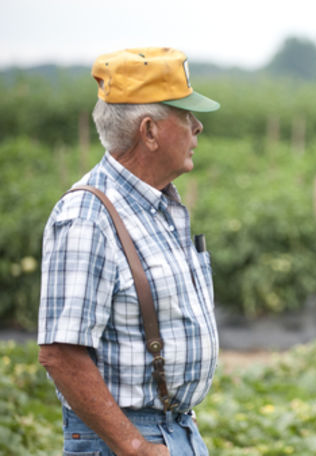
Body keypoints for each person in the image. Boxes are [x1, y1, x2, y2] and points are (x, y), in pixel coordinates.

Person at [38, 47, 220, 455]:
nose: (198, 127)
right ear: (150, 131)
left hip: (175, 429)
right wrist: (134, 445)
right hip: (126, 440)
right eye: (186, 116)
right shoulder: (87, 217)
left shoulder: (161, 205)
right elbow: (60, 353)